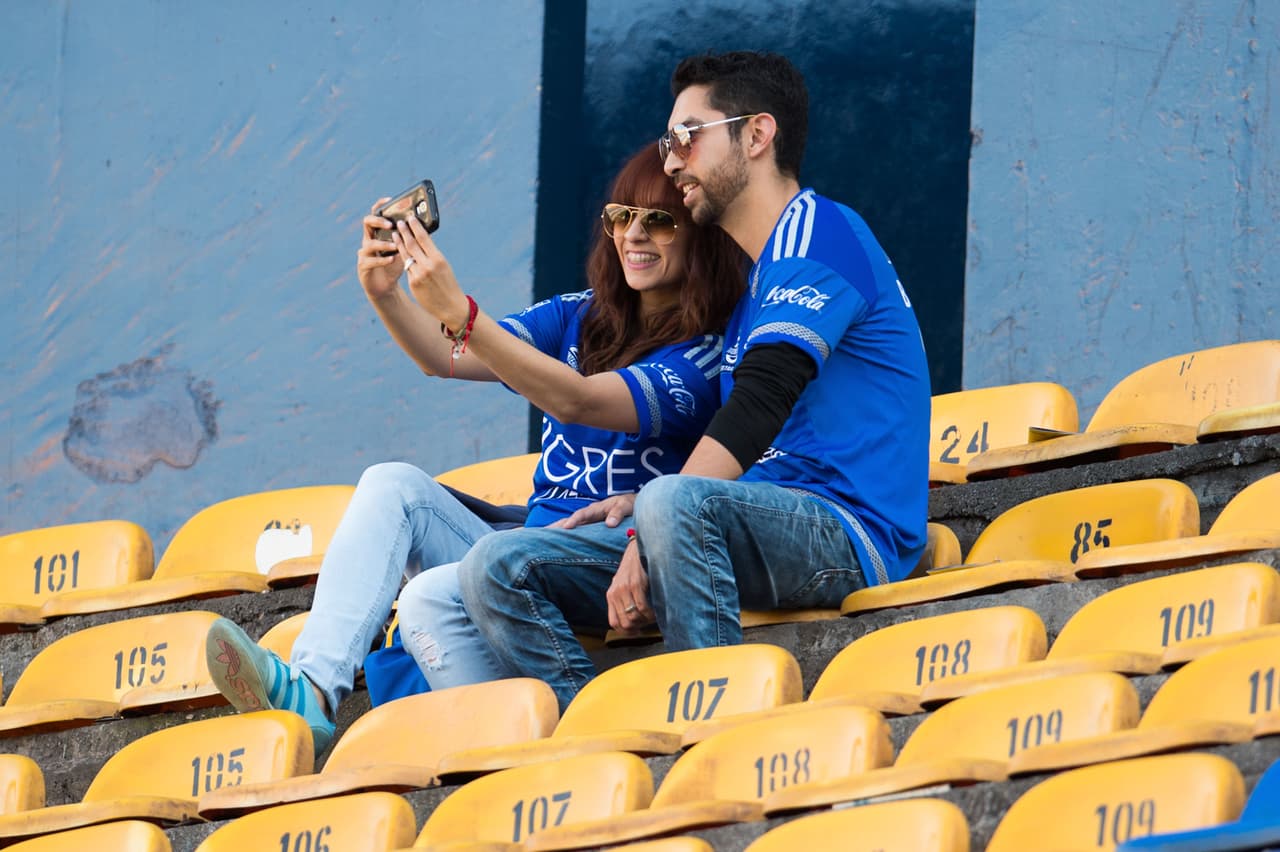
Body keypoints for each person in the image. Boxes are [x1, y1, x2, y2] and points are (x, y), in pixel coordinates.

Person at [204, 147, 745, 750]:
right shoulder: (576, 315)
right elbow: (447, 355)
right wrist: (388, 295)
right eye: (621, 217)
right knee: (392, 485)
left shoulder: (705, 355)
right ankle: (311, 686)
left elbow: (580, 402)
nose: (634, 235)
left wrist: (463, 313)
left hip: (605, 563)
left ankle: (512, 753)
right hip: (523, 548)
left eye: (660, 221)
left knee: (431, 595)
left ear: (699, 236)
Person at [459, 51, 931, 710]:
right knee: (498, 566)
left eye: (687, 135)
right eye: (666, 141)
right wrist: (640, 524)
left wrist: (651, 524)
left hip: (850, 531)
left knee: (669, 500)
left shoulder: (819, 233)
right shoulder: (754, 282)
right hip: (751, 519)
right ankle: (602, 742)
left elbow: (763, 399)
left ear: (757, 135)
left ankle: (714, 731)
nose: (672, 159)